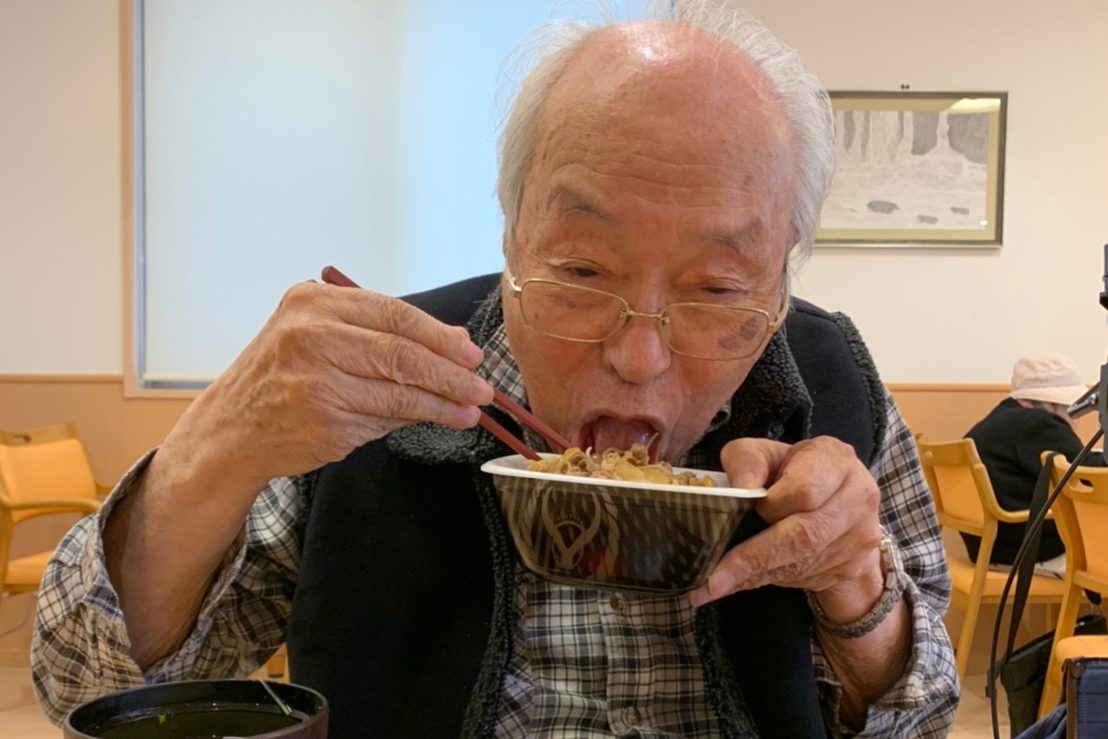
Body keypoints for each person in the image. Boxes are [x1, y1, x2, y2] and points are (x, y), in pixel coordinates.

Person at [31, 3, 958, 736]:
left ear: (782, 270)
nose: (638, 358)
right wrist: (216, 448)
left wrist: (854, 594)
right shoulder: (381, 387)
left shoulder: (834, 385)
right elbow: (87, 681)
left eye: (717, 288)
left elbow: (920, 712)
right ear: (513, 232)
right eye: (584, 271)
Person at [963, 352, 1089, 576]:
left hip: (991, 550)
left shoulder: (999, 420)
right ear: (1052, 403)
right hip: (1032, 552)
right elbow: (1085, 470)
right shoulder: (1036, 423)